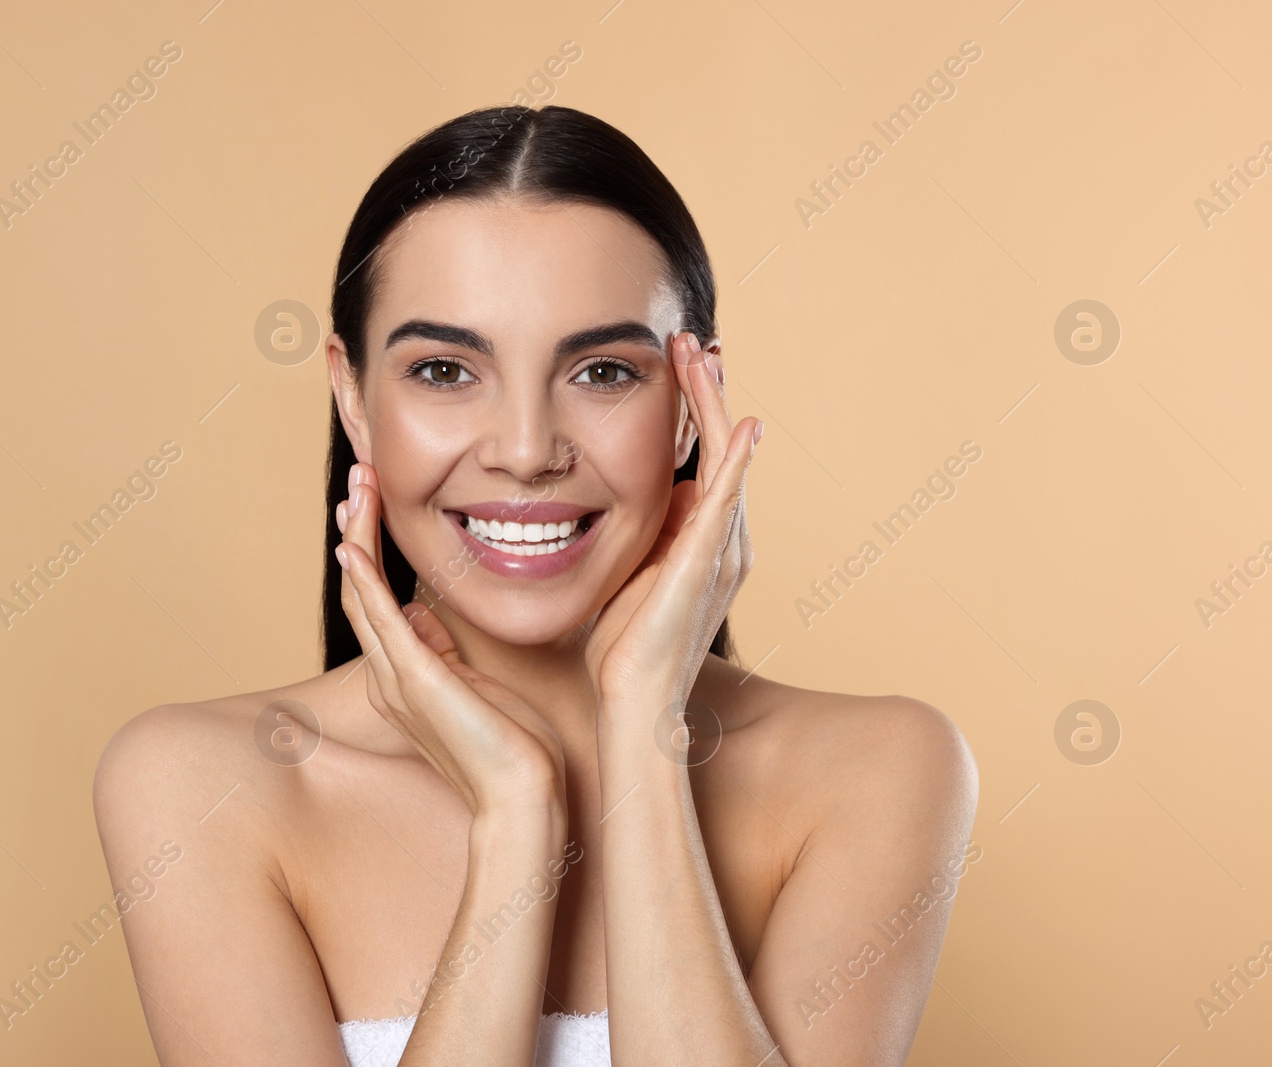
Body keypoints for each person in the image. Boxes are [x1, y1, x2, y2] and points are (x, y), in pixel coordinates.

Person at [93, 104, 979, 1066]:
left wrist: (643, 724)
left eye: (601, 372)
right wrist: (516, 816)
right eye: (443, 369)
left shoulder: (877, 771)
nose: (525, 453)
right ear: (352, 396)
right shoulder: (204, 787)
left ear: (695, 409)